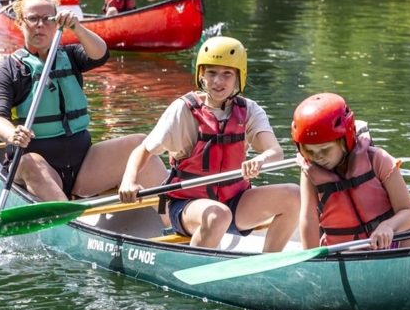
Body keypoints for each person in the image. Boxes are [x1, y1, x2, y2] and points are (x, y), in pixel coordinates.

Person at [119, 36, 300, 251]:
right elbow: (143, 150)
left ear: (238, 77)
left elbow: (275, 151)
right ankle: (191, 265)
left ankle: (268, 263)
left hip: (235, 200)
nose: (218, 81)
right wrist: (128, 180)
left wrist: (260, 159)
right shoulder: (183, 111)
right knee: (218, 215)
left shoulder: (250, 110)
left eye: (227, 74)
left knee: (294, 195)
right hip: (187, 206)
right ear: (201, 75)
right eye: (211, 72)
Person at [0, 0, 167, 202]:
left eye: (48, 19)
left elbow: (101, 54)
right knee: (30, 164)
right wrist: (11, 134)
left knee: (140, 143)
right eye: (33, 18)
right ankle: (71, 222)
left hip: (82, 165)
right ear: (20, 22)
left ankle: (173, 217)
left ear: (57, 23)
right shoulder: (10, 70)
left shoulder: (71, 55)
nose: (40, 25)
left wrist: (78, 28)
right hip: (37, 165)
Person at [291, 92, 410, 250]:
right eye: (310, 151)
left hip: (393, 244)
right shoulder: (310, 172)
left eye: (325, 150)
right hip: (345, 253)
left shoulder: (377, 159)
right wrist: (311, 260)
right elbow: (308, 217)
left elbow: (408, 212)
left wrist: (388, 226)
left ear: (345, 140)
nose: (318, 157)